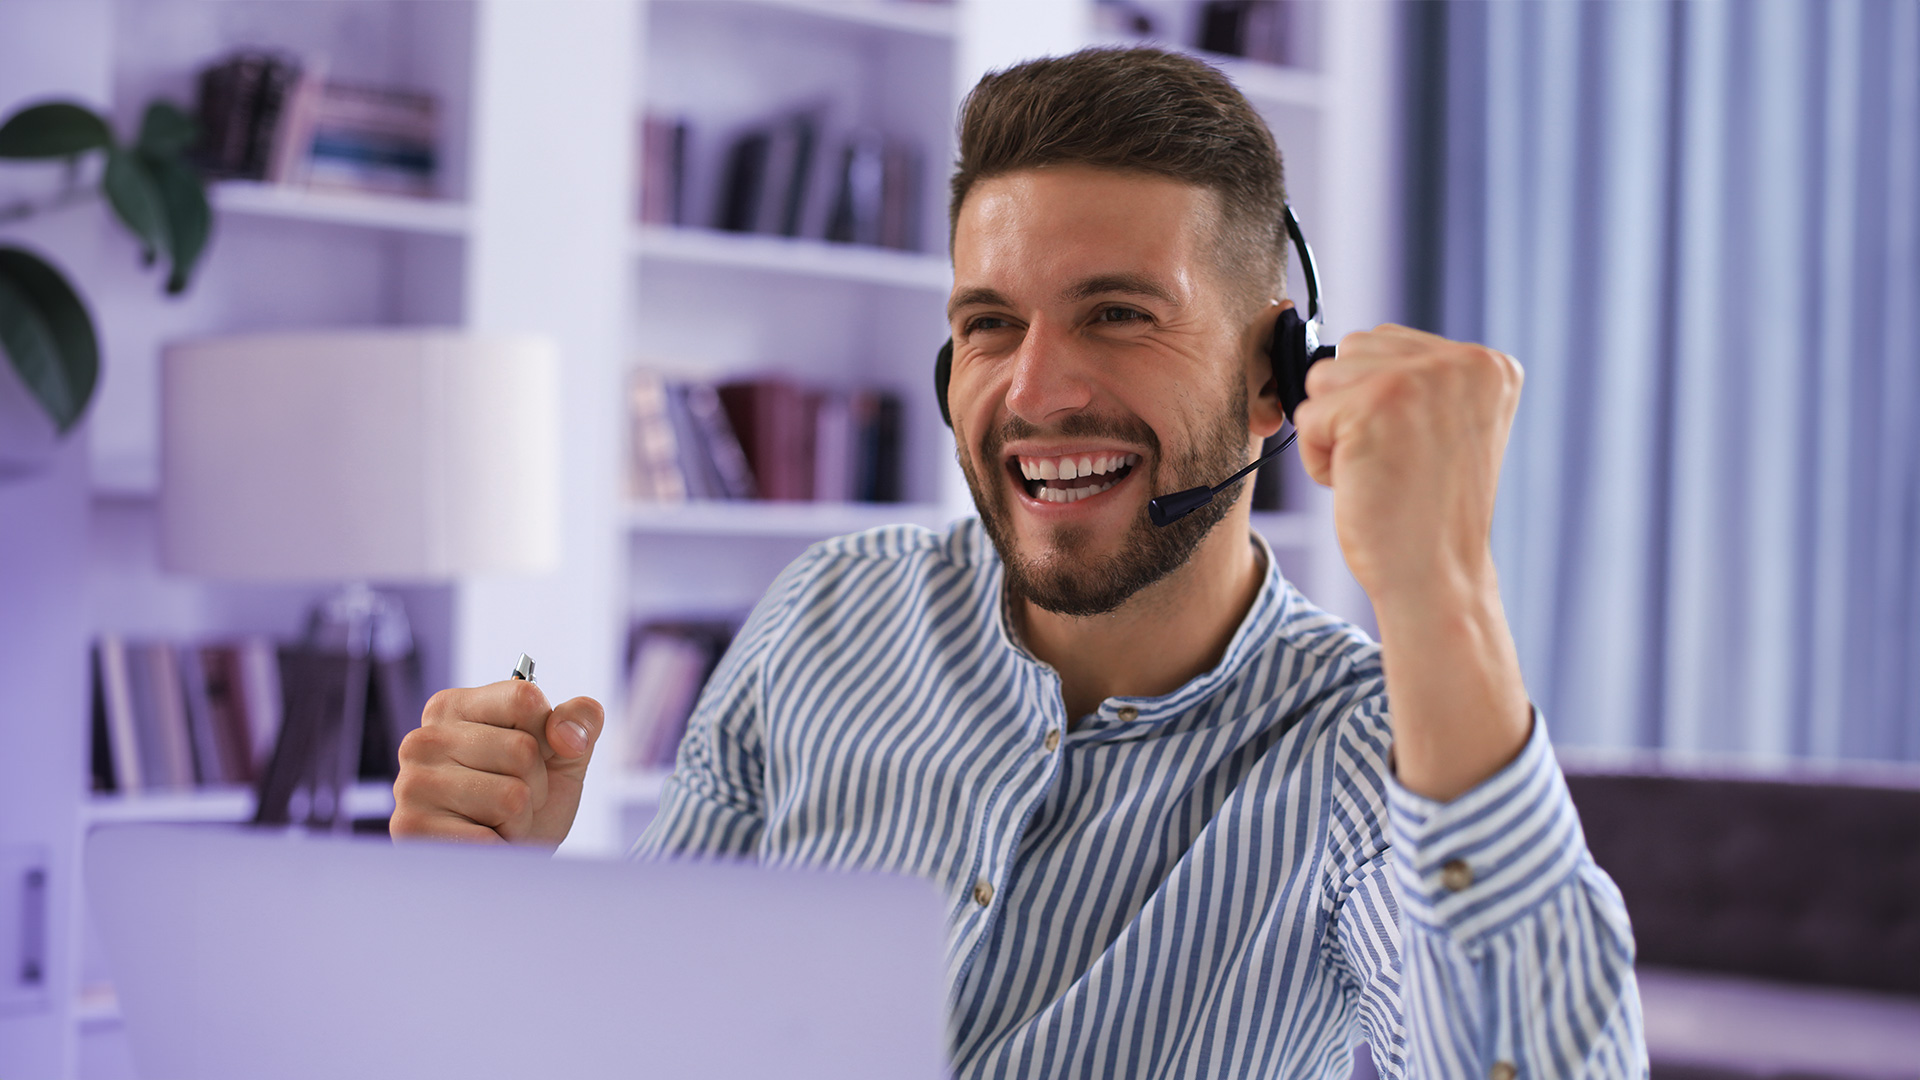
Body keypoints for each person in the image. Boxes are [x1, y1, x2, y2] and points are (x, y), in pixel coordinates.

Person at [392, 47, 1645, 1079]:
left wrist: (1439, 586)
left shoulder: (1373, 742)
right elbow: (661, 1036)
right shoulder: (825, 613)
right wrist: (505, 909)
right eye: (989, 324)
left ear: (1277, 377)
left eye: (1119, 313)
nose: (1035, 392)